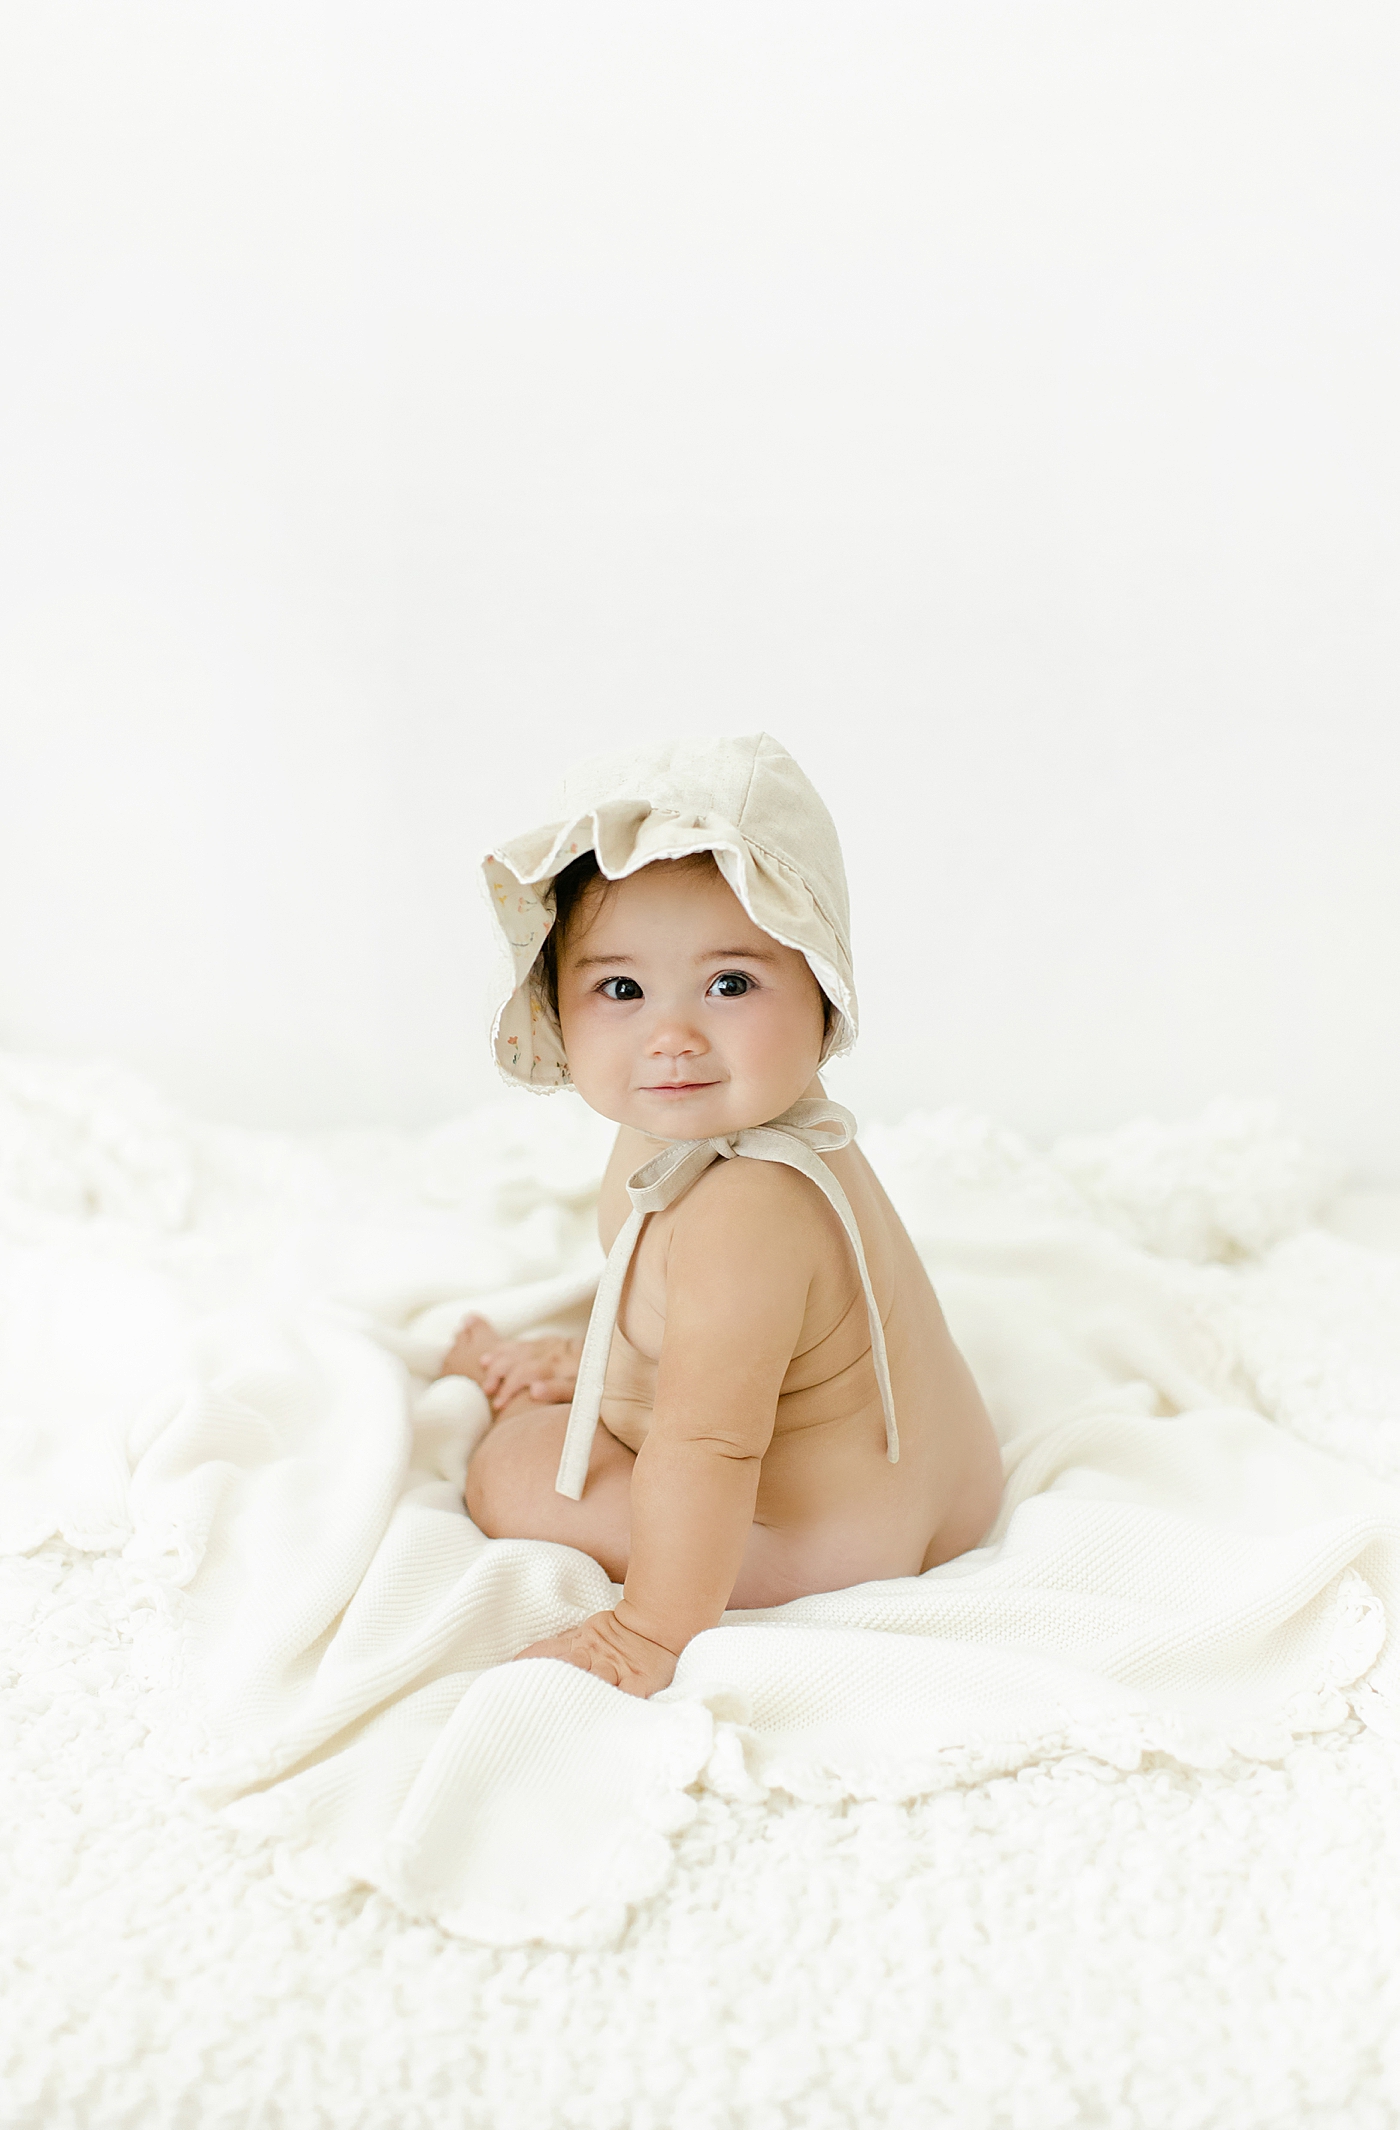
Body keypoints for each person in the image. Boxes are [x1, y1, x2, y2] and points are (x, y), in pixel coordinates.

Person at [441, 733, 1002, 1697]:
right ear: (556, 1007)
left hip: (832, 1538)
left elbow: (710, 1445)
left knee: (518, 1468)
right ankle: (599, 1378)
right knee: (652, 1375)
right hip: (934, 1474)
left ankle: (647, 1589)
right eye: (621, 988)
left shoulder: (743, 1209)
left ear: (822, 992)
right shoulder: (738, 1115)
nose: (672, 1036)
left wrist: (651, 1633)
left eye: (730, 984)